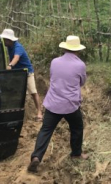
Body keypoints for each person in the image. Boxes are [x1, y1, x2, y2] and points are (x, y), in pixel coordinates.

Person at [28, 35, 87, 173]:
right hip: (70, 105)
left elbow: (53, 77)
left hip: (53, 103)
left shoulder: (54, 62)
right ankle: (76, 154)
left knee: (46, 130)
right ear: (77, 50)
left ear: (65, 48)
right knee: (77, 127)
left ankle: (36, 157)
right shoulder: (80, 65)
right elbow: (82, 82)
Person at [0, 28, 43, 120]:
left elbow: (16, 58)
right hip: (17, 73)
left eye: (4, 39)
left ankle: (39, 112)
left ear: (9, 40)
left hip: (27, 72)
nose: (3, 41)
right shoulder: (9, 47)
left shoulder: (18, 47)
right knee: (16, 92)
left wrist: (10, 65)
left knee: (33, 92)